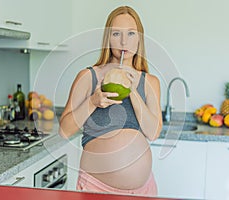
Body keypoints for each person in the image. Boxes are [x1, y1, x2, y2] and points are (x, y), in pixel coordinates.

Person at [59, 6, 162, 196]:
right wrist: (92, 102)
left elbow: (153, 132)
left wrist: (132, 91)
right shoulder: (88, 76)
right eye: (116, 34)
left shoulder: (150, 82)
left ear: (140, 38)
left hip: (142, 190)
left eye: (131, 33)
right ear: (108, 38)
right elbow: (64, 130)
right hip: (96, 187)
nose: (124, 41)